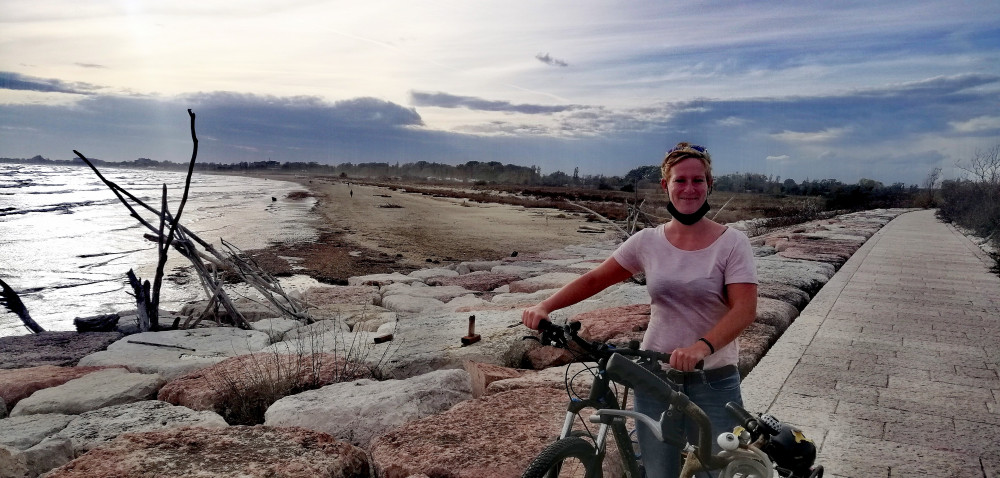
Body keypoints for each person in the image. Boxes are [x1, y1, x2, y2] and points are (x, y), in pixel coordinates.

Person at [521, 142, 758, 478]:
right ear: (666, 185)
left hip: (713, 376)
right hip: (654, 375)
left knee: (716, 470)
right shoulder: (648, 241)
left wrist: (700, 347)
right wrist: (544, 306)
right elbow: (594, 279)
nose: (689, 188)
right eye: (680, 180)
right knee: (658, 470)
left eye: (697, 180)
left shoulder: (732, 243)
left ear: (709, 185)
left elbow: (745, 310)